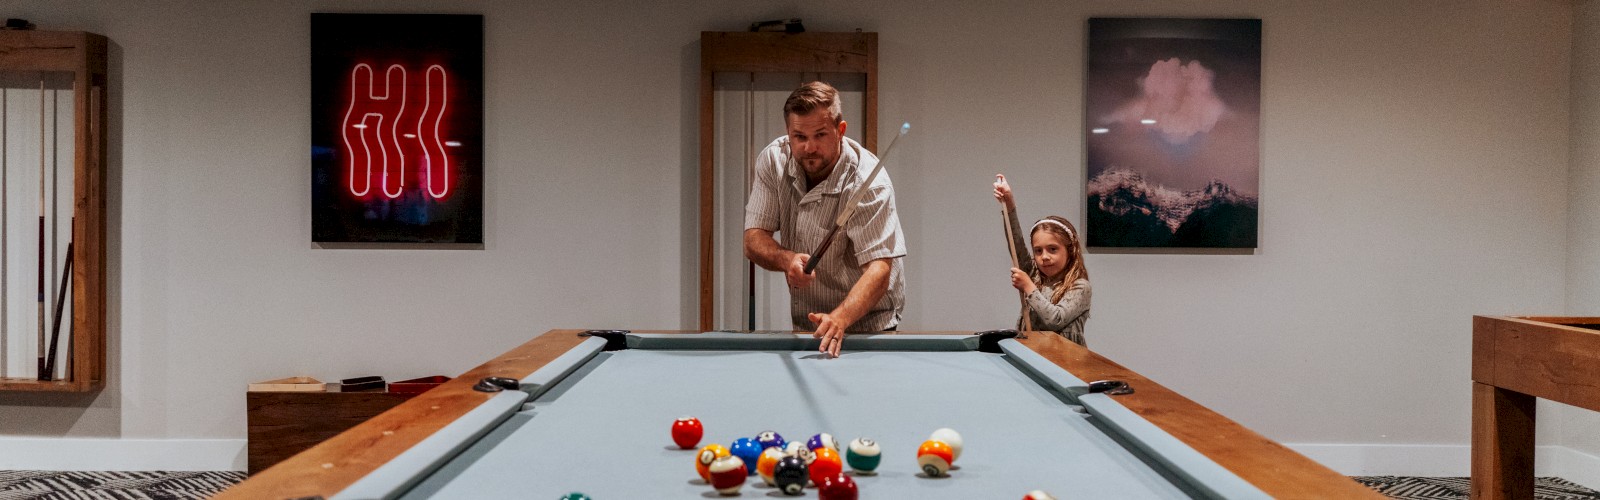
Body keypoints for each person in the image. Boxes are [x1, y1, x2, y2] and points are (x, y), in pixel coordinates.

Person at [744, 82, 906, 357]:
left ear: (840, 131)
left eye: (820, 135)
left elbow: (879, 270)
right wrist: (788, 259)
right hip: (810, 323)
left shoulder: (869, 181)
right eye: (799, 136)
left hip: (870, 327)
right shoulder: (774, 161)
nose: (809, 147)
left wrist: (841, 317)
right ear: (788, 133)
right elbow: (753, 239)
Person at [992, 174, 1091, 345]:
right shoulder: (1034, 275)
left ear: (1070, 250)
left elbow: (1055, 320)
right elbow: (1016, 244)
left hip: (1065, 363)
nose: (1044, 257)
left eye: (1053, 249)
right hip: (1033, 354)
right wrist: (1009, 204)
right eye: (1038, 251)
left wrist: (1028, 287)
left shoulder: (1080, 286)